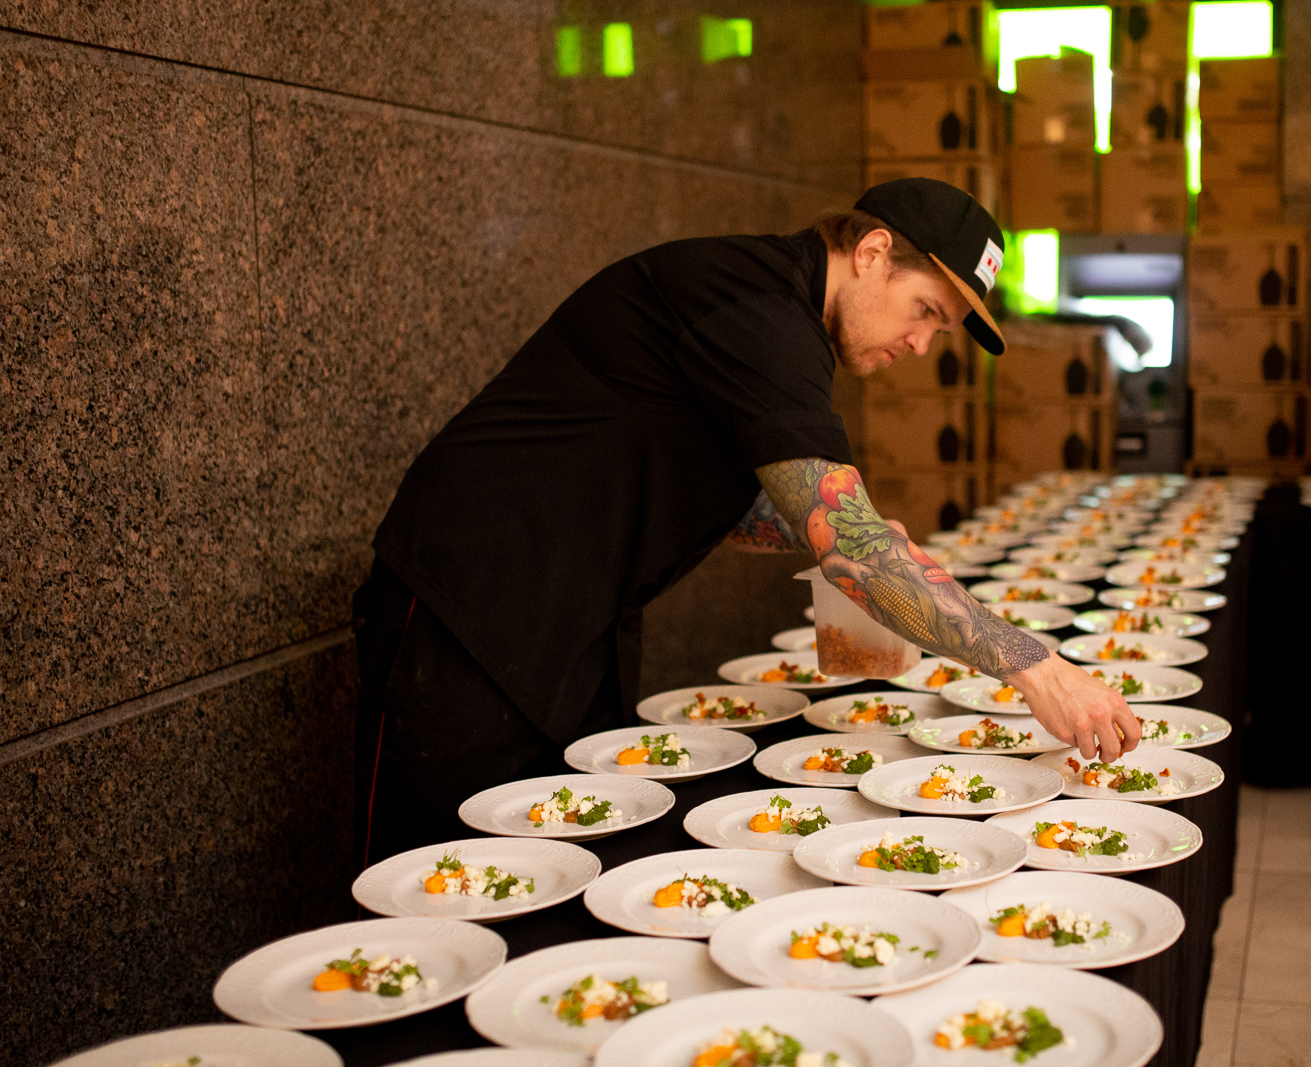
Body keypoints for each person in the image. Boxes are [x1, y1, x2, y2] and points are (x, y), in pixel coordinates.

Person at [352, 179, 1141, 867]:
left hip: (575, 616)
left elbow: (746, 508)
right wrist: (1034, 664)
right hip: (463, 608)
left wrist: (834, 530)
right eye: (926, 311)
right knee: (438, 875)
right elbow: (853, 552)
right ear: (870, 252)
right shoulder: (755, 304)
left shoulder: (780, 318)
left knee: (560, 859)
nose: (920, 343)